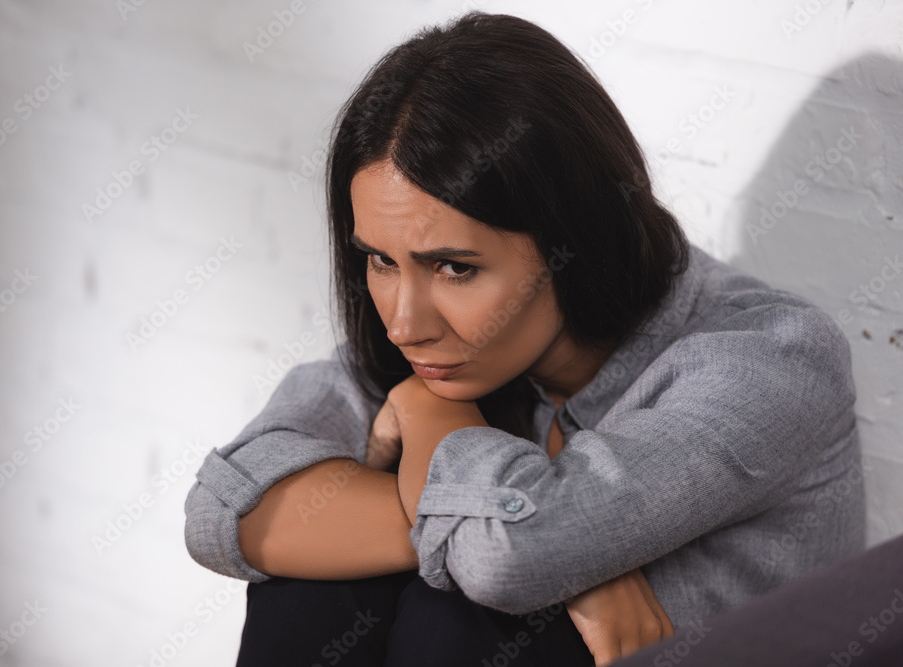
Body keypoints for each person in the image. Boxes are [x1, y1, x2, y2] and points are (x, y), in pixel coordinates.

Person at [183, 11, 865, 666]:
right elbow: (224, 507)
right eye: (381, 260)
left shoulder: (771, 360)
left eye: (455, 267)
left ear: (574, 238)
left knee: (461, 615)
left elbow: (506, 562)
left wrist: (429, 418)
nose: (403, 325)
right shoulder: (446, 349)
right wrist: (545, 546)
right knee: (312, 586)